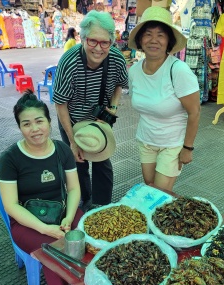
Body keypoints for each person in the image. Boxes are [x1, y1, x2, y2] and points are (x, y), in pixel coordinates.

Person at [0, 91, 83, 285]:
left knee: (87, 235)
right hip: (27, 223)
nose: (35, 129)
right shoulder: (10, 159)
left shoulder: (62, 150)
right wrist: (45, 228)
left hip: (63, 211)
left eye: (39, 121)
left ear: (49, 122)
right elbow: (10, 206)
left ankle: (86, 284)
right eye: (26, 124)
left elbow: (74, 189)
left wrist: (67, 218)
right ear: (19, 127)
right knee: (50, 249)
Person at [53, 10, 128, 211]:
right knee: (78, 160)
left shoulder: (116, 59)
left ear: (112, 41)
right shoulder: (69, 63)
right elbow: (60, 104)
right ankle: (85, 201)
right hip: (71, 117)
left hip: (100, 117)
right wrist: (71, 140)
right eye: (92, 41)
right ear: (83, 38)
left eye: (105, 43)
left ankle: (102, 204)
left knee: (102, 159)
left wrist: (112, 108)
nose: (98, 48)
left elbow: (120, 85)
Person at [128, 7, 200, 192]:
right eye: (148, 34)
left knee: (159, 194)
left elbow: (194, 112)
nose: (153, 40)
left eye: (160, 35)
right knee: (150, 189)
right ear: (140, 40)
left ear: (168, 41)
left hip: (172, 144)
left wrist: (188, 148)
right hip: (145, 140)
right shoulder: (134, 71)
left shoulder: (178, 70)